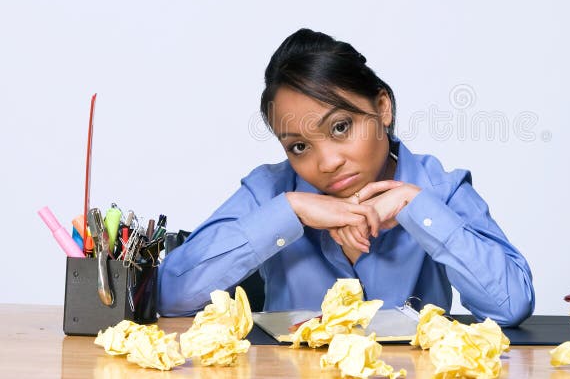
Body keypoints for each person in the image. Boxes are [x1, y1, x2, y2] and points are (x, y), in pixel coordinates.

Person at [158, 29, 534, 326]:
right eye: (299, 147)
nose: (327, 162)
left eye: (339, 127)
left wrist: (414, 207)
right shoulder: (270, 191)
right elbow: (170, 295)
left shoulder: (438, 188)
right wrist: (289, 211)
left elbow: (511, 304)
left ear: (382, 107)